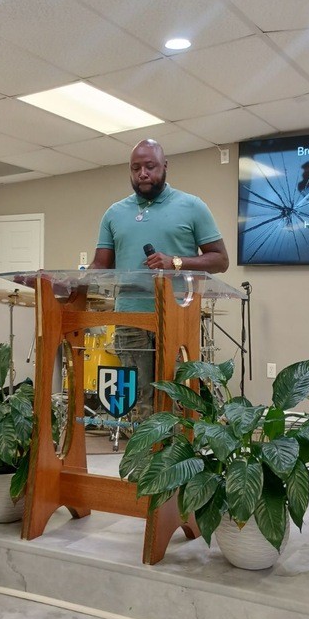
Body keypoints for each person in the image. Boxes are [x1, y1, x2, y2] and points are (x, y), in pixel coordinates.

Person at [89, 139, 229, 418]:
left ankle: (176, 448)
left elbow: (220, 260)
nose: (143, 173)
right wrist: (64, 282)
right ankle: (145, 448)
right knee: (141, 404)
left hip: (176, 319)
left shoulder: (192, 206)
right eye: (136, 168)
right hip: (130, 320)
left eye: (150, 166)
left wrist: (175, 262)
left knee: (177, 402)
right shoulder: (114, 213)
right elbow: (100, 265)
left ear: (165, 166)